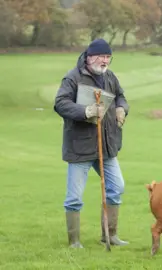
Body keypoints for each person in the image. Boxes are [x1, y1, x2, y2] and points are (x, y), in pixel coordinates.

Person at [53, 38, 130, 248]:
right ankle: (74, 241)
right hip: (81, 147)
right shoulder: (73, 78)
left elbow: (121, 97)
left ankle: (110, 235)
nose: (105, 61)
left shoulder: (110, 77)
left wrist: (122, 109)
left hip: (106, 146)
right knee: (74, 197)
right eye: (102, 57)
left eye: (108, 57)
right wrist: (85, 111)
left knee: (117, 187)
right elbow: (60, 104)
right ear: (90, 57)